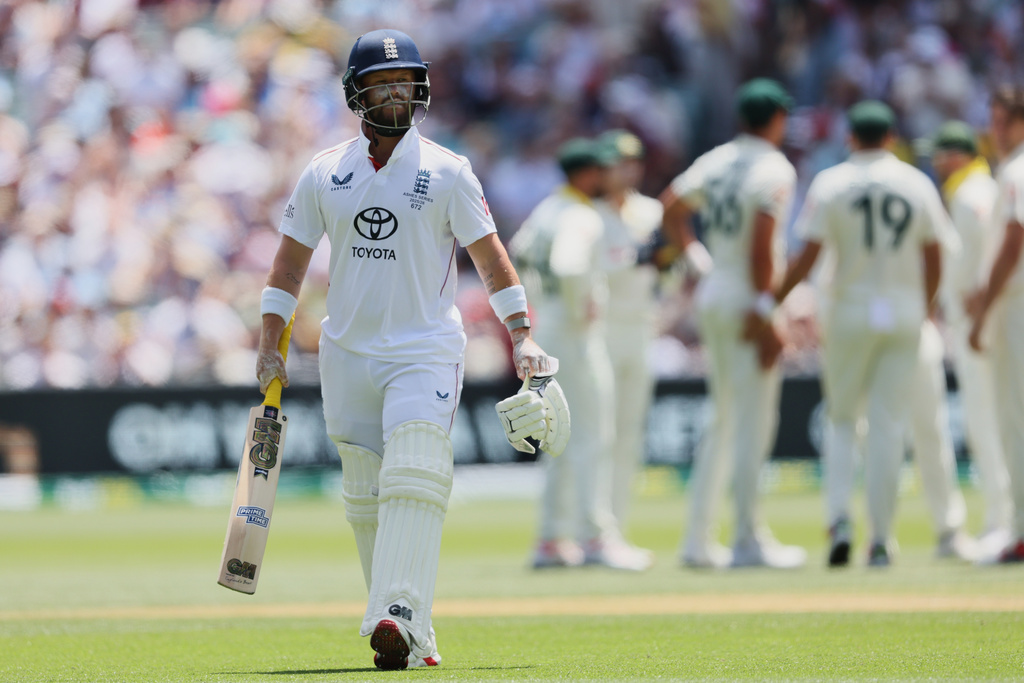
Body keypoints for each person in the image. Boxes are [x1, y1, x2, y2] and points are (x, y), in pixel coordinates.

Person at [254, 29, 562, 670]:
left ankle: (393, 614)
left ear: (419, 87)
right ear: (356, 93)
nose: (395, 91)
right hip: (347, 352)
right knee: (365, 491)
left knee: (415, 468)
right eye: (380, 82)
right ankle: (410, 629)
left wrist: (523, 333)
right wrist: (268, 344)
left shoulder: (449, 171)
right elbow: (286, 269)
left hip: (424, 349)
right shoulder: (323, 172)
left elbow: (491, 259)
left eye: (404, 81)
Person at [772, 100, 952, 567]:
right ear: (891, 138)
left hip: (849, 311)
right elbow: (935, 255)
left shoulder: (832, 182)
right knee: (889, 425)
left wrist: (774, 298)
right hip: (902, 310)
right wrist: (926, 306)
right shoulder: (915, 182)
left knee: (842, 420)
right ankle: (881, 538)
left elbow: (809, 254)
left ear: (850, 138)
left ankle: (839, 520)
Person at [660, 78, 806, 569]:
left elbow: (671, 206)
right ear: (778, 120)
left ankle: (698, 540)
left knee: (725, 417)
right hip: (748, 295)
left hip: (716, 288)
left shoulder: (716, 159)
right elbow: (764, 243)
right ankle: (748, 537)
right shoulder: (774, 167)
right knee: (753, 420)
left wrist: (699, 263)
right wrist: (767, 312)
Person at [512, 137, 650, 571]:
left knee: (559, 436)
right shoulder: (581, 215)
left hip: (548, 328)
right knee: (594, 434)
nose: (610, 176)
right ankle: (596, 537)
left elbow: (519, 250)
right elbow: (571, 266)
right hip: (574, 333)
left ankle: (553, 538)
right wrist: (581, 305)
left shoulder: (547, 209)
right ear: (588, 174)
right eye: (604, 169)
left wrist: (543, 297)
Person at [928, 121, 1011, 559]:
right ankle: (1003, 516)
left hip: (981, 319)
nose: (937, 163)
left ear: (956, 155)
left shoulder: (969, 192)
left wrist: (978, 299)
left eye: (941, 155)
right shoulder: (977, 187)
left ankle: (1003, 519)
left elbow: (981, 248)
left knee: (987, 421)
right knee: (990, 419)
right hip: (985, 316)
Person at [593, 129, 663, 565]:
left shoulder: (652, 213)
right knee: (598, 434)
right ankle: (592, 530)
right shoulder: (590, 215)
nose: (621, 170)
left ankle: (615, 528)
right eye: (614, 162)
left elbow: (664, 277)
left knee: (629, 435)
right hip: (600, 329)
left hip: (641, 330)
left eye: (628, 162)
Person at [967, 84, 1024, 563]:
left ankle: (1022, 531)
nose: (996, 130)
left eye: (1003, 120)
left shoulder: (1016, 171)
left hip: (1016, 307)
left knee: (1015, 419)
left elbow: (1013, 242)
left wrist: (984, 306)